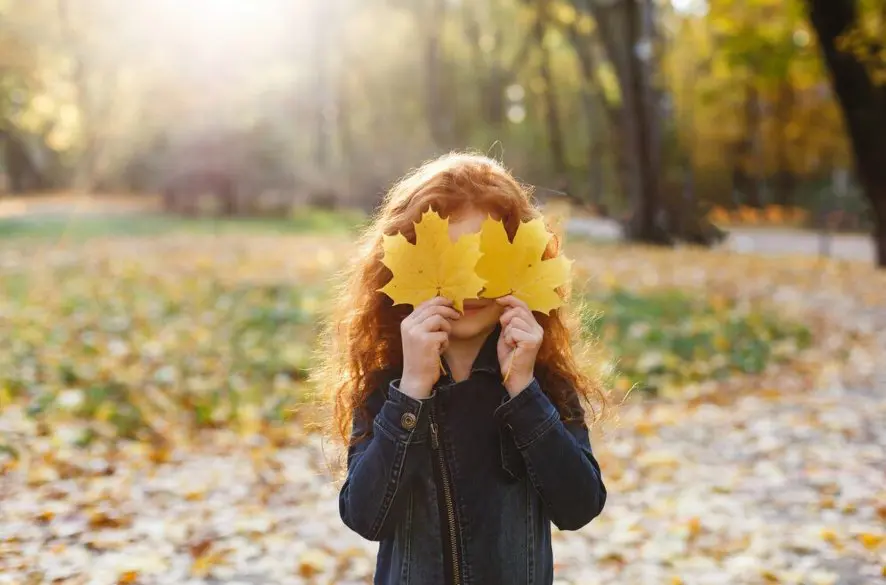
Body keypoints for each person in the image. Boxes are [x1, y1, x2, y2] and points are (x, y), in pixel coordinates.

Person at [317, 153, 607, 585]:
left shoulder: (540, 381)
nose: (470, 286)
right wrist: (412, 391)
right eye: (450, 261)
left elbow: (579, 506)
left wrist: (524, 393)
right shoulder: (389, 384)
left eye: (487, 261)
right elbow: (365, 517)